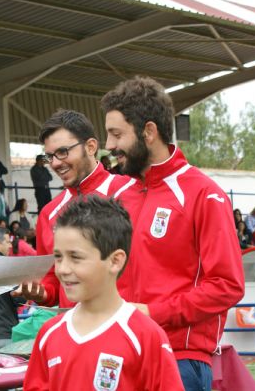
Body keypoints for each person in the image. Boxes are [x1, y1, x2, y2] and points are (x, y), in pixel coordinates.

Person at [101, 76, 244, 391]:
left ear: (149, 132)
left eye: (116, 134)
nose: (109, 146)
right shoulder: (118, 195)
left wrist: (153, 312)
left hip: (178, 359)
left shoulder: (204, 194)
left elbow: (227, 286)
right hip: (117, 354)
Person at [24, 196, 183, 391]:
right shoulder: (49, 334)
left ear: (115, 261)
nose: (63, 269)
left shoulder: (145, 336)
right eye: (58, 257)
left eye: (76, 257)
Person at [19, 109, 143, 309]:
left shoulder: (132, 193)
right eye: (50, 156)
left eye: (62, 152)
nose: (56, 163)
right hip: (74, 329)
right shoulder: (49, 213)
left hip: (127, 325)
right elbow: (51, 277)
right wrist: (42, 292)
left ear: (91, 147)